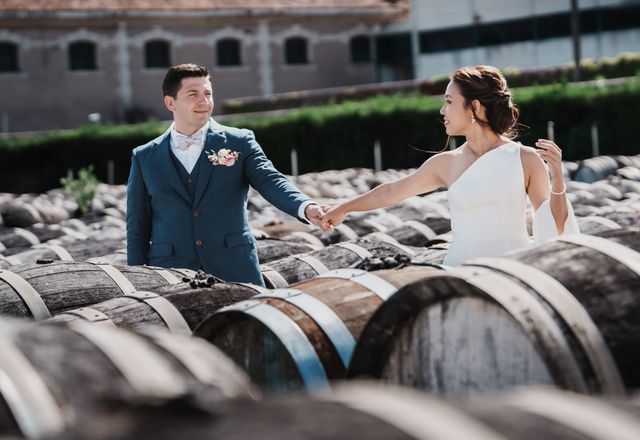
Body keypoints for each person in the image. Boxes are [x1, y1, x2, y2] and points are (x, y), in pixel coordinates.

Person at [321, 65, 579, 266]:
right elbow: (392, 191)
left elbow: (554, 225)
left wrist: (558, 180)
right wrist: (344, 208)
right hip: (459, 272)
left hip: (511, 274)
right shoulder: (445, 163)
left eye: (449, 101)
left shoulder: (525, 158)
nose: (442, 111)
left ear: (474, 107)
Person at [126, 63, 327, 286]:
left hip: (234, 266)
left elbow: (271, 180)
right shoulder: (144, 156)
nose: (204, 101)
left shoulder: (239, 141)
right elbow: (137, 228)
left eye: (208, 93)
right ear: (170, 102)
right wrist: (138, 280)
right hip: (170, 273)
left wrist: (305, 207)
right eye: (193, 94)